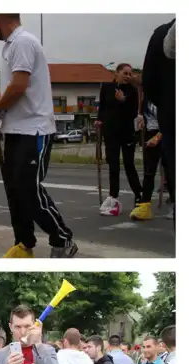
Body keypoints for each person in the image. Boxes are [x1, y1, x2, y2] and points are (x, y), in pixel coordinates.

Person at [0, 14, 77, 259]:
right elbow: (6, 87)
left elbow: (18, 86)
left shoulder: (24, 42)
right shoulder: (10, 46)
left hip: (34, 129)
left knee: (28, 189)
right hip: (14, 128)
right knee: (14, 190)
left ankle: (63, 238)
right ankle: (24, 243)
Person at [95, 64, 141, 217]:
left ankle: (139, 196)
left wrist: (123, 100)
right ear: (117, 73)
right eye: (125, 73)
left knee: (129, 165)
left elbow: (133, 111)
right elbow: (102, 108)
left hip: (127, 133)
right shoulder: (107, 88)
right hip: (110, 133)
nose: (127, 76)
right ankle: (113, 196)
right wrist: (99, 120)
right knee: (113, 165)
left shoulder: (132, 91)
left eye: (130, 73)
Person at [141, 19, 175, 221]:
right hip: (163, 126)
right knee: (154, 168)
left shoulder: (162, 33)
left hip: (170, 122)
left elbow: (150, 84)